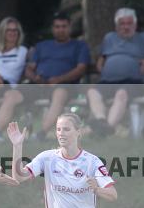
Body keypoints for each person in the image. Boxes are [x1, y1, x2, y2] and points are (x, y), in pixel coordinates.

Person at [86, 8, 144, 134]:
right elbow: (103, 55)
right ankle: (102, 122)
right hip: (108, 81)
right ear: (116, 26)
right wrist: (101, 63)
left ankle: (105, 129)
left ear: (135, 25)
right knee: (92, 92)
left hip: (132, 82)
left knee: (121, 94)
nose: (126, 27)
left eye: (129, 23)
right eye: (122, 24)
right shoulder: (110, 38)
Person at [21, 12, 91, 140]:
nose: (61, 30)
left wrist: (59, 79)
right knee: (13, 94)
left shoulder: (79, 45)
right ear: (53, 29)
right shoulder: (42, 46)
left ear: (70, 27)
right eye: (57, 27)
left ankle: (41, 133)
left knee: (59, 93)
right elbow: (29, 68)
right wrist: (35, 78)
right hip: (40, 83)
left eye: (64, 26)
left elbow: (81, 69)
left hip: (66, 85)